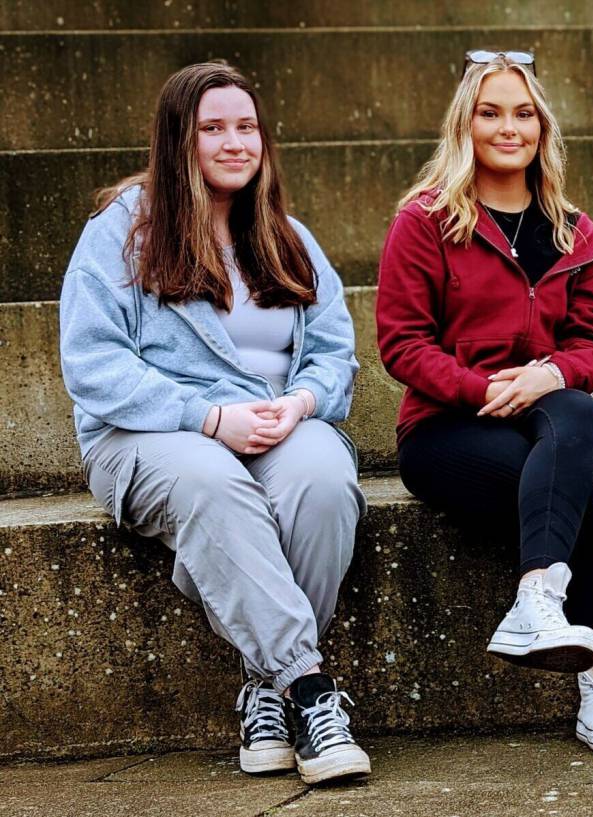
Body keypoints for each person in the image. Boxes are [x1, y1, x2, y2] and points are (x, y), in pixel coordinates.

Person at [58, 62, 369, 784]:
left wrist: (300, 404)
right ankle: (312, 692)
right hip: (148, 434)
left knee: (324, 480)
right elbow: (93, 362)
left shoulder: (286, 235)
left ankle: (267, 689)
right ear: (178, 140)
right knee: (215, 486)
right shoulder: (121, 232)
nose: (236, 143)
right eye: (213, 129)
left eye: (247, 126)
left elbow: (334, 354)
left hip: (276, 421)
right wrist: (206, 415)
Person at [376, 49, 593, 753]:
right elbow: (402, 343)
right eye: (490, 112)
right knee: (573, 481)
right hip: (445, 430)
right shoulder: (425, 221)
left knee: (577, 415)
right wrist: (486, 388)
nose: (509, 127)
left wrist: (549, 374)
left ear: (542, 127)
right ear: (464, 125)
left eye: (523, 113)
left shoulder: (573, 229)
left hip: (546, 414)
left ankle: (538, 600)